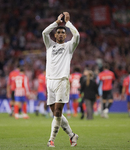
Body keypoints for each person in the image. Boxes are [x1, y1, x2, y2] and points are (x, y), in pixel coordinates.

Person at [42, 12, 80, 147]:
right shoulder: (49, 45)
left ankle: (51, 139)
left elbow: (77, 35)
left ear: (65, 35)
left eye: (63, 33)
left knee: (57, 112)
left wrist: (68, 23)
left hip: (62, 81)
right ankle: (72, 135)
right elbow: (44, 33)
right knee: (56, 114)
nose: (60, 34)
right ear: (55, 34)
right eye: (58, 32)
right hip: (50, 81)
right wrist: (57, 22)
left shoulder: (69, 46)